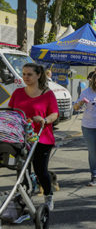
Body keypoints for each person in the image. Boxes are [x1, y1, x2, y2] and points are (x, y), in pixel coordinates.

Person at [8, 63, 59, 210]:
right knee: (23, 170)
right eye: (23, 74)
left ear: (38, 75)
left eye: (29, 74)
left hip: (41, 137)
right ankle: (24, 200)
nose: (26, 77)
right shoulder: (18, 93)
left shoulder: (47, 94)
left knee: (40, 170)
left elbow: (54, 114)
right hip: (21, 137)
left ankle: (48, 196)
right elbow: (11, 112)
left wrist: (45, 120)